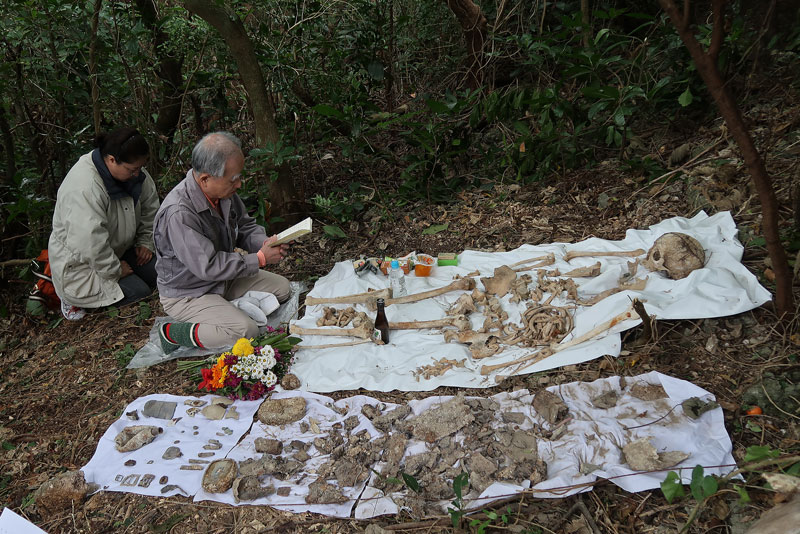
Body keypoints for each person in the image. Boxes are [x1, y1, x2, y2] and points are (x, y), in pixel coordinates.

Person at [153, 131, 291, 353]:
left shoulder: (223, 193)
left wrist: (265, 242)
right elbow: (207, 265)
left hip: (222, 279)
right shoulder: (178, 213)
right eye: (233, 179)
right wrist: (260, 259)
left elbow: (245, 226)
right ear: (205, 179)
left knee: (283, 289)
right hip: (190, 292)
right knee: (246, 333)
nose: (239, 184)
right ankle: (172, 332)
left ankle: (225, 312)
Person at [48, 127, 160, 320]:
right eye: (132, 169)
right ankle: (72, 299)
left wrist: (145, 242)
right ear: (111, 160)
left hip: (121, 247)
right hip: (82, 266)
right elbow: (89, 244)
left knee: (163, 274)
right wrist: (115, 270)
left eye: (140, 168)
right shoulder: (84, 187)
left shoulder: (133, 172)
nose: (137, 174)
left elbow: (151, 209)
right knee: (139, 293)